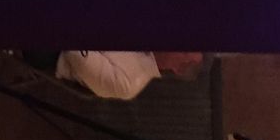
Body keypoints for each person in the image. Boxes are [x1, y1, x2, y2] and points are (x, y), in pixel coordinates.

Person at [54, 49, 202, 100]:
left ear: (177, 69)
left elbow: (76, 55)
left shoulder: (128, 83)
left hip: (53, 51)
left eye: (184, 50)